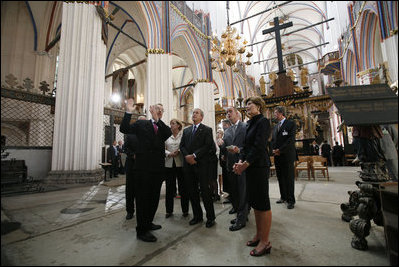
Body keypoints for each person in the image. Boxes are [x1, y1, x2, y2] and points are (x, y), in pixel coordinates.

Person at [120, 99, 171, 242]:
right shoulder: (142, 123)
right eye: (157, 108)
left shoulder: (162, 127)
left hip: (157, 169)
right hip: (143, 169)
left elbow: (167, 134)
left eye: (161, 109)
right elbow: (124, 128)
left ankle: (148, 223)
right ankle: (141, 231)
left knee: (154, 199)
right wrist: (128, 111)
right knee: (142, 200)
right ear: (151, 110)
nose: (159, 111)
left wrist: (157, 119)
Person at [233, 96, 272, 257]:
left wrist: (245, 163)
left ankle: (265, 241)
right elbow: (245, 146)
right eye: (246, 104)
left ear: (259, 106)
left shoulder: (263, 122)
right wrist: (240, 160)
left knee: (262, 203)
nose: (246, 107)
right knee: (255, 203)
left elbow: (259, 146)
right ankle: (258, 235)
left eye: (249, 104)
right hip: (249, 166)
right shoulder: (249, 123)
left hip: (259, 166)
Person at [180, 108, 216, 228]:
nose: (194, 114)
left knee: (205, 192)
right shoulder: (186, 131)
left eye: (197, 113)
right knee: (192, 192)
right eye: (193, 113)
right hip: (188, 166)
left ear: (201, 117)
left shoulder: (207, 130)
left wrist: (194, 155)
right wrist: (187, 156)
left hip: (201, 165)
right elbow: (182, 146)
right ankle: (197, 216)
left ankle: (210, 217)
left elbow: (208, 146)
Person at [220, 106, 248, 231]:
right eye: (226, 113)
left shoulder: (245, 127)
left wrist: (239, 150)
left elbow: (249, 146)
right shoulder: (227, 130)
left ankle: (242, 218)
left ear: (237, 113)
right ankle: (239, 212)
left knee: (243, 192)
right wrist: (221, 145)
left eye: (230, 111)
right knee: (234, 191)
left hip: (242, 164)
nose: (228, 114)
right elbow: (225, 147)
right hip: (230, 164)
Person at [272, 106, 297, 209]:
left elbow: (290, 140)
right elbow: (274, 140)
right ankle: (283, 197)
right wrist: (273, 150)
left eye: (275, 113)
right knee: (280, 177)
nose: (274, 115)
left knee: (289, 178)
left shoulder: (290, 124)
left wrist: (280, 150)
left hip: (287, 155)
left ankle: (291, 200)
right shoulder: (275, 126)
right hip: (277, 156)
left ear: (281, 113)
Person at [164, 119, 189, 218]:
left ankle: (185, 210)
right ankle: (169, 211)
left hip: (180, 164)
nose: (171, 125)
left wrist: (179, 151)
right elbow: (163, 148)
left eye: (173, 124)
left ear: (178, 126)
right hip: (169, 164)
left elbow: (185, 146)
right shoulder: (167, 136)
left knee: (183, 188)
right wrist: (169, 153)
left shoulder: (183, 136)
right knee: (169, 188)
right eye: (170, 124)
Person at [123, 115, 146, 220]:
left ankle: (142, 211)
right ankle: (130, 211)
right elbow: (125, 148)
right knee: (130, 189)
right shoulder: (130, 134)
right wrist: (133, 155)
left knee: (142, 190)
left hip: (144, 166)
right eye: (140, 122)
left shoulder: (148, 134)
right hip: (131, 165)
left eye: (144, 122)